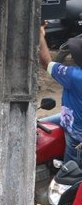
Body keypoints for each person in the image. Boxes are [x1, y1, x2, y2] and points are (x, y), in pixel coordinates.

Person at [39, 26, 82, 163]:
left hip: (76, 134)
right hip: (69, 117)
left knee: (68, 175)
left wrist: (40, 35)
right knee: (36, 125)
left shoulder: (74, 76)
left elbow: (46, 63)